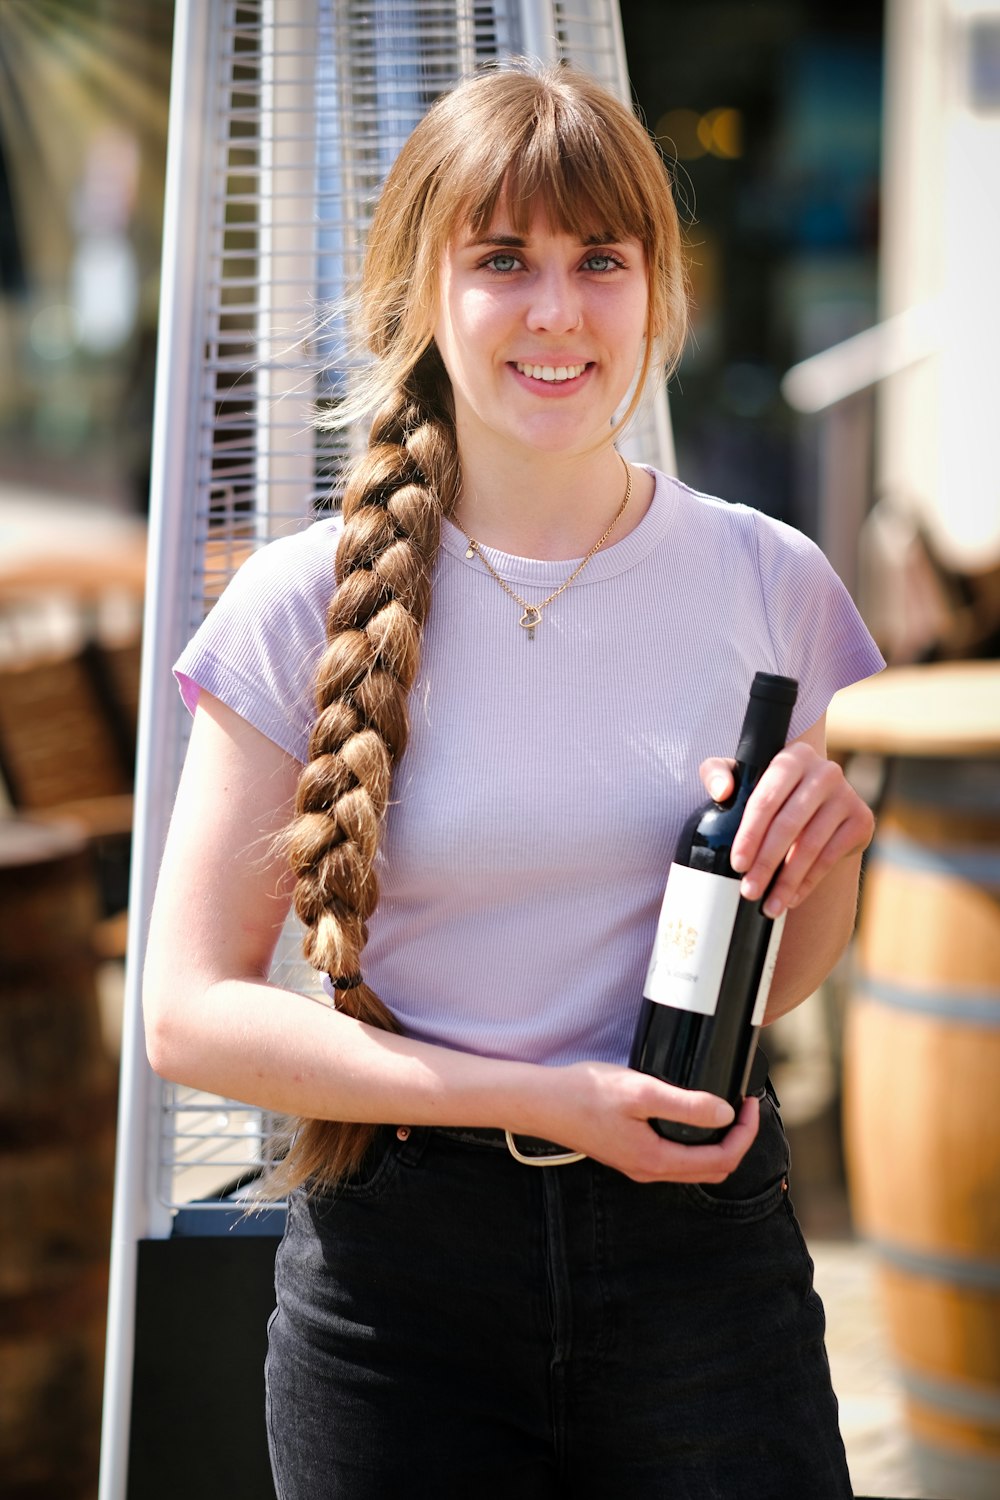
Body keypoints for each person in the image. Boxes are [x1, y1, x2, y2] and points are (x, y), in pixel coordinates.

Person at [144, 61, 883, 1499]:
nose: (557, 310)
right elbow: (186, 1015)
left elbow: (782, 976)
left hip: (703, 1266)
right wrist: (543, 1103)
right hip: (396, 1290)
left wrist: (831, 859)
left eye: (600, 260)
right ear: (423, 291)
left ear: (659, 287)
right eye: (503, 261)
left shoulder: (770, 580)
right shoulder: (301, 604)